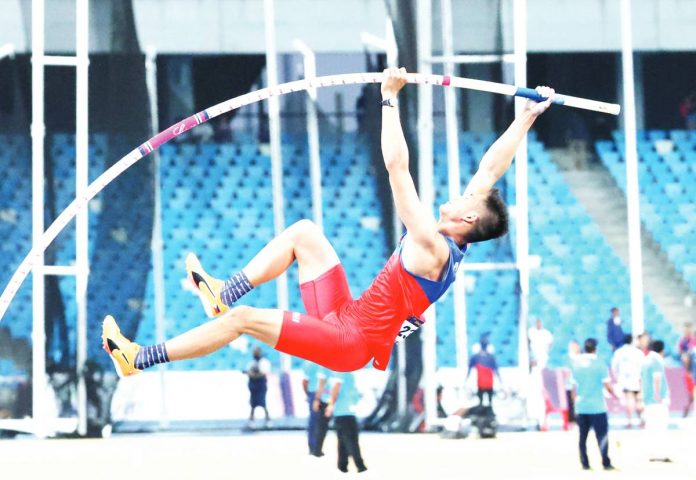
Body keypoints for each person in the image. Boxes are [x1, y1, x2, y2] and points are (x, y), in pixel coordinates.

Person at [101, 68, 556, 379]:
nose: (457, 195)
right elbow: (491, 169)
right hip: (346, 316)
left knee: (243, 322)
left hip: (348, 342)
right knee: (304, 233)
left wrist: (388, 98)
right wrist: (525, 118)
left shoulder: (432, 247)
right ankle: (224, 292)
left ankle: (138, 358)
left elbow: (397, 168)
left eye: (464, 199)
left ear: (469, 218)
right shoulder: (456, 241)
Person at [570, 338, 616, 471]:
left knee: (582, 437)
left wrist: (575, 405)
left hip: (582, 406)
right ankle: (605, 462)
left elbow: (573, 388)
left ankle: (584, 463)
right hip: (597, 407)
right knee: (601, 436)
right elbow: (607, 386)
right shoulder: (600, 364)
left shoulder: (576, 364)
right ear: (595, 349)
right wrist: (614, 393)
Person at [328, 372, 367, 473]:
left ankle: (348, 465)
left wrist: (331, 404)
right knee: (348, 440)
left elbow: (336, 387)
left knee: (346, 440)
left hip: (341, 411)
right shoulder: (350, 375)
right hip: (348, 411)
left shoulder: (340, 373)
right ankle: (348, 465)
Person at [641, 340, 671, 462]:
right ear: (662, 350)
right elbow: (657, 377)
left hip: (647, 399)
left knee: (650, 427)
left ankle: (651, 453)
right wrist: (657, 394)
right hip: (657, 400)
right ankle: (661, 453)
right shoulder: (657, 360)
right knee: (661, 427)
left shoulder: (646, 360)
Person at [611, 334, 644, 427]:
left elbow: (614, 367)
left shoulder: (619, 352)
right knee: (639, 400)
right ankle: (641, 420)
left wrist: (618, 377)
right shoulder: (638, 352)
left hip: (625, 380)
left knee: (629, 400)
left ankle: (629, 421)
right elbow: (643, 366)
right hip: (637, 379)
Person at [302, 361, 331, 457]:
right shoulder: (323, 362)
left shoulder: (309, 364)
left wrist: (308, 394)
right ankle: (316, 448)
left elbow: (305, 382)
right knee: (320, 423)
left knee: (314, 422)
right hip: (323, 394)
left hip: (315, 393)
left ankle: (314, 447)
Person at [467, 336, 502, 407]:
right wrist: (500, 381)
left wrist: (466, 379)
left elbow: (469, 369)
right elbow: (496, 371)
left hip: (481, 382)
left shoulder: (476, 357)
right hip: (489, 382)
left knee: (481, 402)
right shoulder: (491, 357)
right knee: (489, 402)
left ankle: (482, 410)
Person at [245, 346, 271, 428]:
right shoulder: (251, 362)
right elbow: (248, 372)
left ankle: (268, 420)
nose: (255, 354)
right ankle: (251, 420)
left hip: (261, 385)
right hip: (253, 386)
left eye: (256, 352)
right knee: (253, 404)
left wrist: (254, 375)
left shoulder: (264, 362)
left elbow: (263, 373)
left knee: (263, 402)